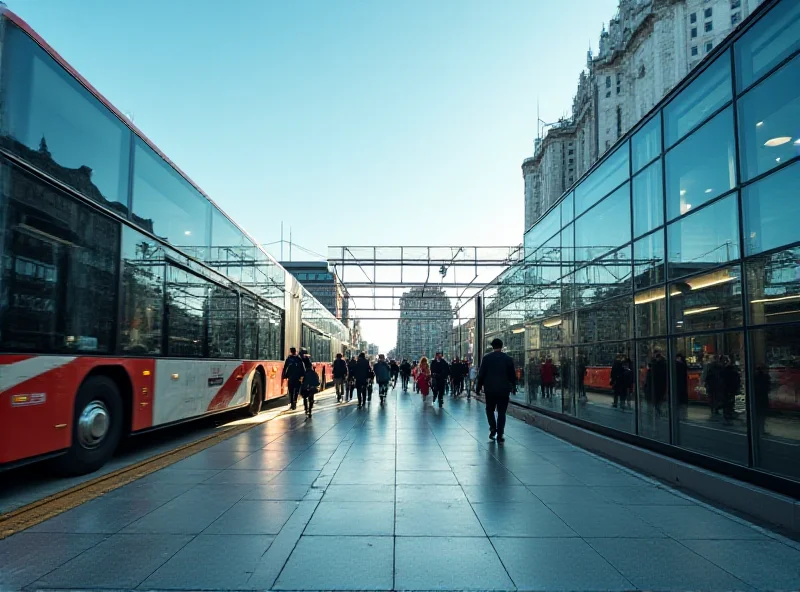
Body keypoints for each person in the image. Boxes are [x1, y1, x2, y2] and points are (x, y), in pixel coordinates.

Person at [476, 338, 516, 442]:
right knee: (502, 412)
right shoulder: (507, 359)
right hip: (503, 389)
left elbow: (481, 374)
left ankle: (493, 427)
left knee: (490, 410)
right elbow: (512, 375)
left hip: (490, 389)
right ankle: (500, 433)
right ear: (502, 346)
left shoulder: (486, 358)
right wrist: (514, 387)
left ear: (492, 346)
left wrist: (478, 387)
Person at [645, 348, 668, 416]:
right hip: (659, 384)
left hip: (656, 385)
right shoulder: (661, 362)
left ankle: (658, 410)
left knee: (657, 399)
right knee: (658, 398)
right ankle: (658, 410)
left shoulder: (655, 364)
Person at [721, 355, 740, 423]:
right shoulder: (733, 370)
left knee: (728, 401)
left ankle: (728, 413)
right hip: (731, 387)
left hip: (728, 388)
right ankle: (731, 413)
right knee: (731, 401)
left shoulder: (725, 370)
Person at [675, 353, 689, 420]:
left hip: (678, 385)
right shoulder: (684, 365)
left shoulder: (678, 365)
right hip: (683, 385)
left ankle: (680, 415)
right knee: (683, 402)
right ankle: (684, 415)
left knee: (679, 401)